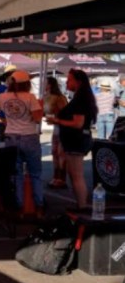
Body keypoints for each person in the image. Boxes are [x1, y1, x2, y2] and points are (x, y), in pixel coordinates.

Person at [0, 69, 44, 218]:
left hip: (11, 137)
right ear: (27, 84)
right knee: (35, 174)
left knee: (16, 174)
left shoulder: (3, 97)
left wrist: (3, 120)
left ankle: (19, 208)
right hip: (29, 137)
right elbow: (37, 118)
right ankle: (39, 209)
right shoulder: (30, 97)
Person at [47, 69, 97, 209]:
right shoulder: (79, 98)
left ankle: (82, 206)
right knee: (74, 174)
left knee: (76, 175)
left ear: (78, 81)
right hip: (75, 140)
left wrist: (57, 121)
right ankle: (80, 204)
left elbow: (78, 123)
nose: (67, 82)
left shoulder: (80, 99)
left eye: (69, 80)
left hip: (77, 140)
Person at [44, 77, 69, 189]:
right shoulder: (46, 97)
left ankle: (61, 179)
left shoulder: (59, 97)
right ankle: (56, 177)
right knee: (54, 152)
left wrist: (55, 116)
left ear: (50, 85)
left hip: (63, 127)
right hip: (56, 127)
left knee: (61, 153)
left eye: (45, 83)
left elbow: (66, 113)